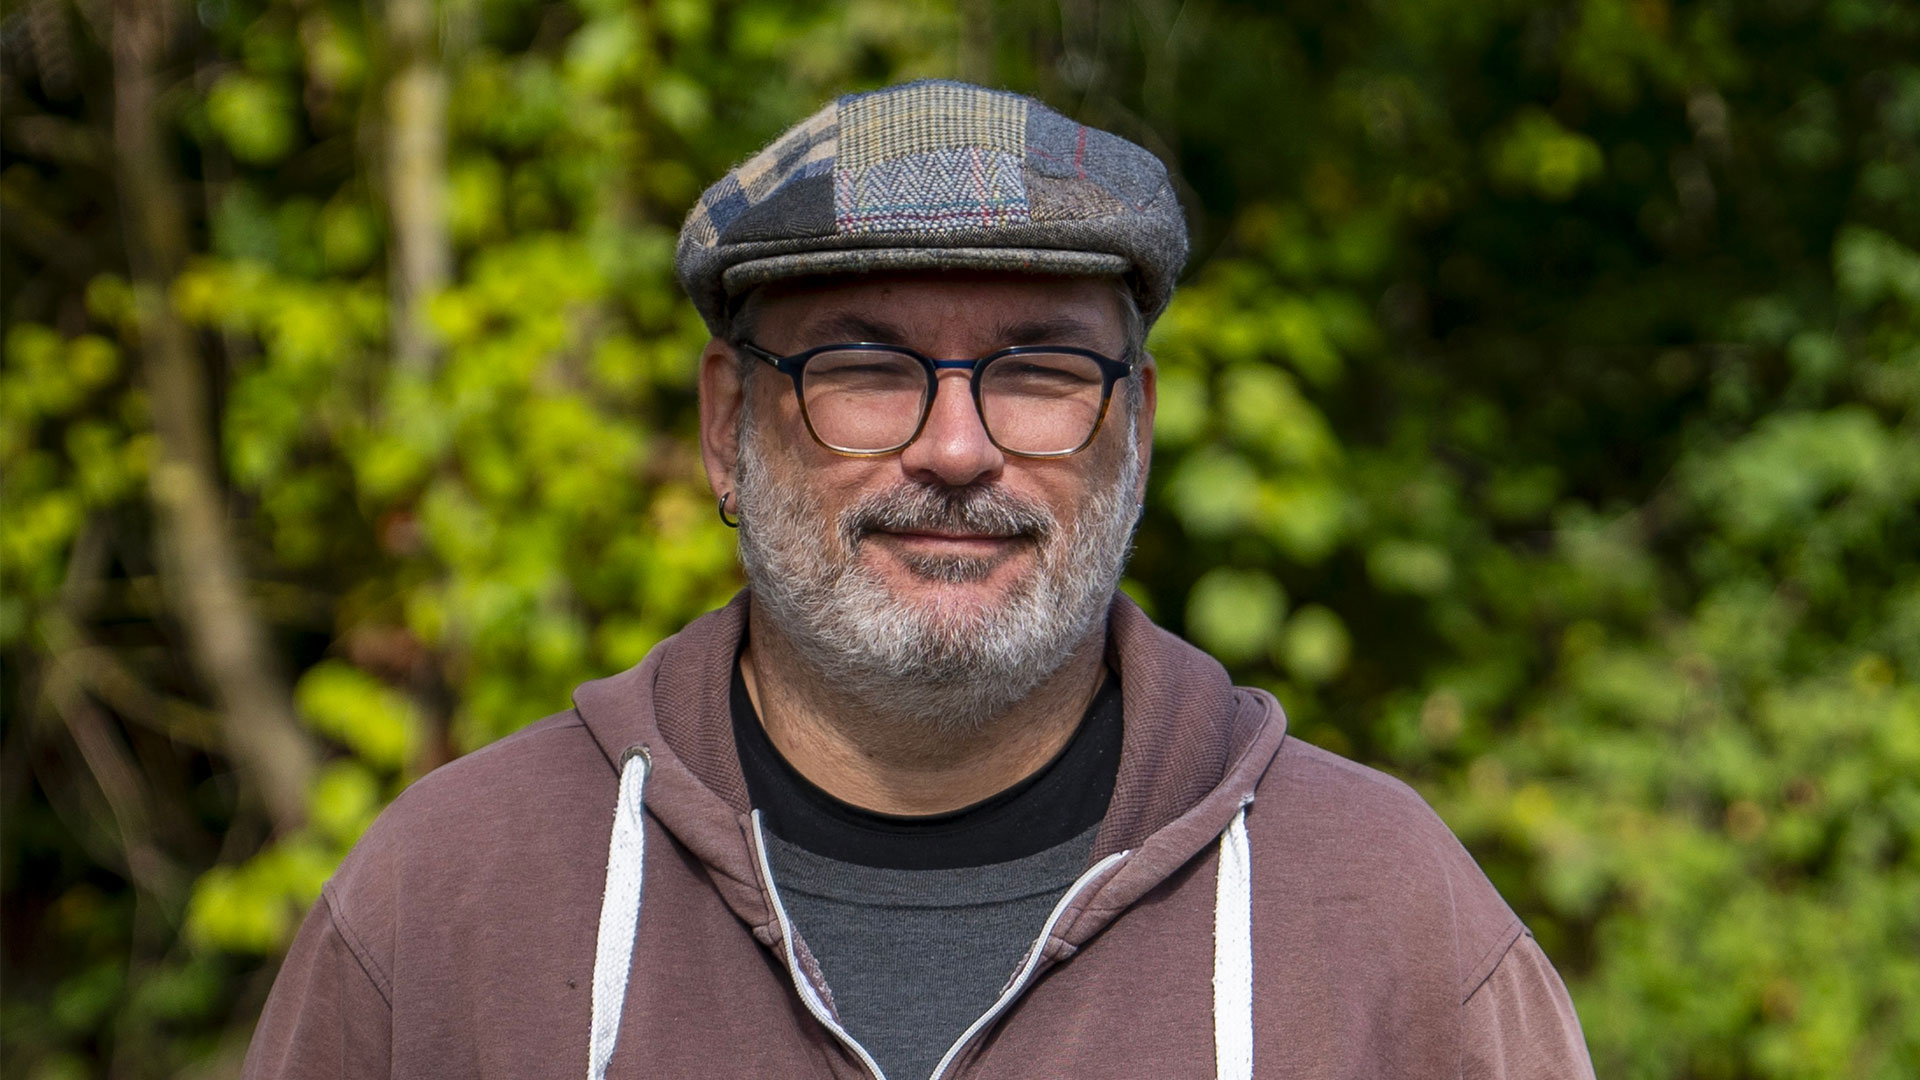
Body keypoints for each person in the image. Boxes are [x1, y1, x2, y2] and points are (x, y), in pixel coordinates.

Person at [242, 80, 1595, 1080]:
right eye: (866, 368)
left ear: (1135, 429)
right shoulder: (451, 905)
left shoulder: (1385, 918)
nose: (957, 449)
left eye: (1041, 370)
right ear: (727, 424)